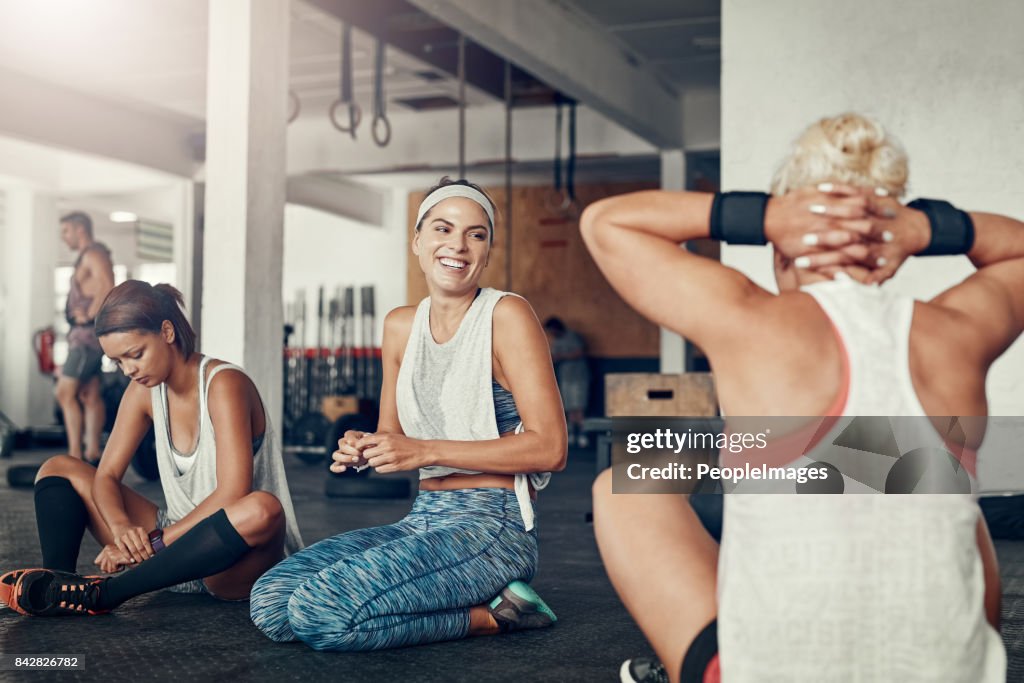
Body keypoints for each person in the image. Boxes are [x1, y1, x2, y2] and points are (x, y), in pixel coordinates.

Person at [582, 113, 1016, 682]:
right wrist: (923, 228)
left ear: (783, 244)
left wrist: (764, 217)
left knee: (622, 488)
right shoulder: (957, 332)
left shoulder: (750, 318)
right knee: (945, 485)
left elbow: (606, 224)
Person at [250, 177, 567, 652]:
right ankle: (481, 605)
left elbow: (551, 448)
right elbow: (390, 436)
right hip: (423, 517)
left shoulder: (506, 315)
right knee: (271, 603)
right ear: (417, 241)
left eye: (476, 234)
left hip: (491, 529)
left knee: (319, 614)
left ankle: (493, 617)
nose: (457, 245)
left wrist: (424, 450)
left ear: (487, 250)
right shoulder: (400, 326)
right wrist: (363, 450)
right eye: (442, 229)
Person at [1, 280, 303, 616]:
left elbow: (232, 494)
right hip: (169, 549)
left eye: (135, 354)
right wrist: (121, 530)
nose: (129, 369)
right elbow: (107, 475)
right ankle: (56, 587)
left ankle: (105, 595)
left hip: (231, 560)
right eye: (118, 362)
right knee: (59, 466)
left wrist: (156, 542)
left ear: (167, 332)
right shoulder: (143, 390)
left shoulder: (224, 384)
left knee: (261, 508)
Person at [56, 211, 115, 464]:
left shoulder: (93, 254)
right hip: (85, 337)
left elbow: (109, 286)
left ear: (80, 230)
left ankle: (74, 456)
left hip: (86, 339)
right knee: (89, 395)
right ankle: (92, 453)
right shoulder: (85, 257)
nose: (64, 238)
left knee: (64, 393)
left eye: (66, 231)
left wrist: (89, 316)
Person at [543, 317, 591, 447]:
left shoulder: (572, 336)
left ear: (556, 327)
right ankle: (571, 435)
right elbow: (552, 357)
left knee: (579, 408)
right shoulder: (555, 341)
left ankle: (582, 434)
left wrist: (562, 356)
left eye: (551, 330)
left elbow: (580, 352)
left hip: (579, 377)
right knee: (569, 407)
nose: (550, 333)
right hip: (565, 377)